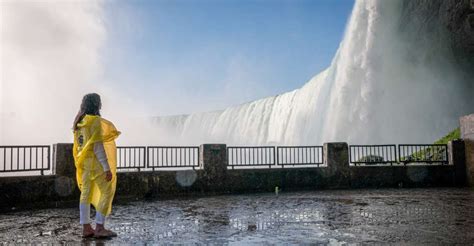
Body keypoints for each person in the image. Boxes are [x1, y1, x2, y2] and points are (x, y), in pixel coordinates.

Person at [72, 93, 120, 238]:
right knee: (107, 190)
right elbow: (98, 148)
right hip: (96, 165)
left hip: (84, 164)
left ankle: (86, 228)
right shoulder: (95, 122)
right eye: (99, 102)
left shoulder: (79, 122)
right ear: (96, 105)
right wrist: (107, 169)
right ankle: (99, 227)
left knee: (85, 194)